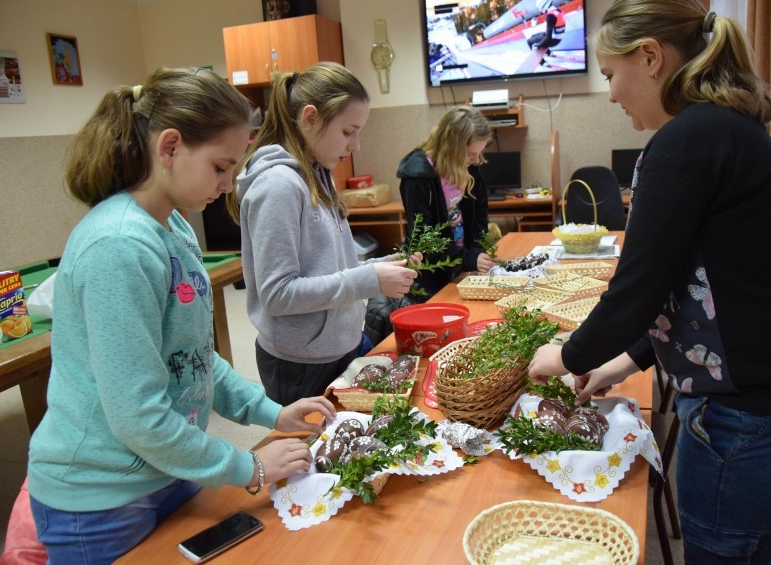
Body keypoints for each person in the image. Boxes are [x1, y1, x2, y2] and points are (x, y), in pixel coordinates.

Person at [528, 0, 771, 563]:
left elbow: (639, 287)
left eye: (610, 75)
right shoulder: (718, 131)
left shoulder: (685, 140)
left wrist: (568, 354)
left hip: (760, 410)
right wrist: (624, 361)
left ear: (651, 57)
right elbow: (698, 283)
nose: (610, 94)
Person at [26, 67, 337, 565]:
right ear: (169, 147)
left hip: (169, 467)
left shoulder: (173, 226)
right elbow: (138, 416)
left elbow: (194, 356)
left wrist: (270, 412)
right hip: (101, 495)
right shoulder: (120, 245)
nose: (227, 184)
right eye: (220, 167)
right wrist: (248, 465)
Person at [225, 62, 419, 406]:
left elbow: (326, 268)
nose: (356, 145)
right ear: (310, 118)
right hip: (301, 362)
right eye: (348, 131)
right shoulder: (278, 186)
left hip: (337, 344)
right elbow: (278, 294)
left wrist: (378, 266)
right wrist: (366, 280)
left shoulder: (318, 172)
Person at [363, 106, 500, 345]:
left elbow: (479, 218)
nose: (476, 160)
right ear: (452, 149)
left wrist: (476, 253)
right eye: (470, 154)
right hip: (432, 275)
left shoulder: (471, 167)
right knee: (442, 335)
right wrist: (467, 258)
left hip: (460, 268)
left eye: (479, 153)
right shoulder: (418, 178)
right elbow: (424, 241)